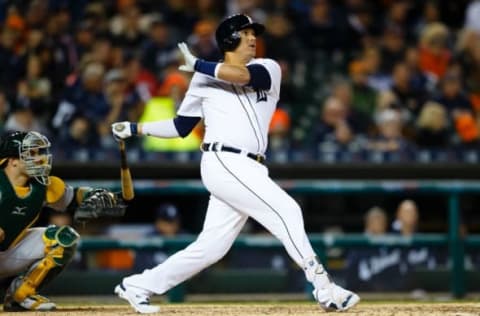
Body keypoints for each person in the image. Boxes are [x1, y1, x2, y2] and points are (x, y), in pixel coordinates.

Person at [112, 14, 360, 313]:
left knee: (211, 248)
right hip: (222, 160)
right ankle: (325, 288)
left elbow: (240, 77)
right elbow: (181, 127)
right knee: (288, 210)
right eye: (245, 33)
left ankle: (138, 285)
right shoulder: (202, 79)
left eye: (253, 32)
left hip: (250, 166)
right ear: (229, 39)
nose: (253, 37)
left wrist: (200, 65)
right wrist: (136, 128)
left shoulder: (266, 68)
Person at [0, 130, 125, 311]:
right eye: (31, 153)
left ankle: (21, 295)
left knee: (64, 238)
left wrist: (95, 194)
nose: (39, 158)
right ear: (13, 161)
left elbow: (73, 197)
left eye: (38, 153)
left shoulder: (42, 185)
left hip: (9, 252)